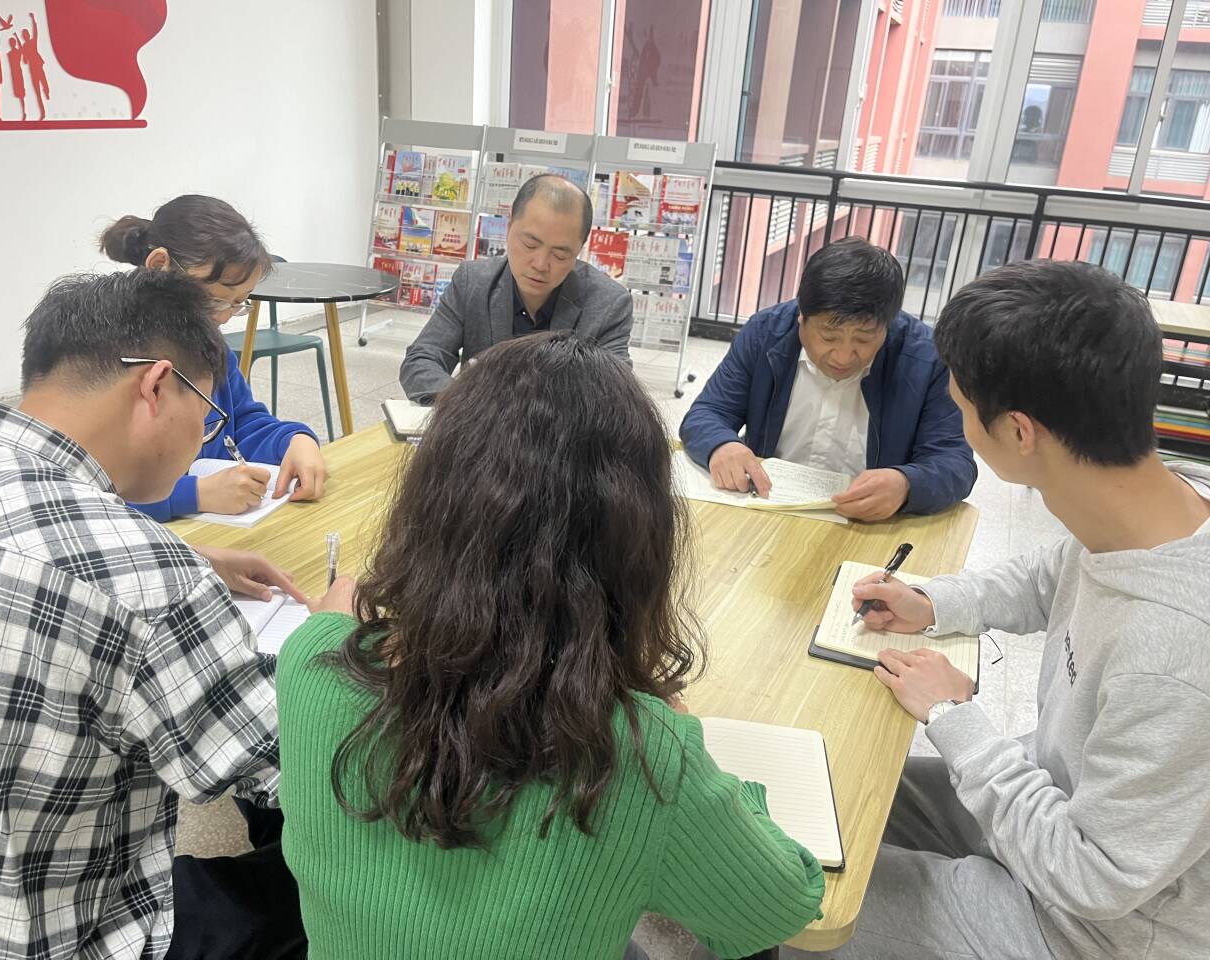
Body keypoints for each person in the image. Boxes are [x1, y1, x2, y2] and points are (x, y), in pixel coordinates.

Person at [279, 331, 826, 960]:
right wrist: (702, 757)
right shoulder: (644, 753)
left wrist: (333, 628)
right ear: (636, 546)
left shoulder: (310, 660)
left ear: (430, 503)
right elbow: (783, 904)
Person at [778, 260, 1210, 960]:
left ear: (1018, 432)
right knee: (829, 792)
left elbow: (1095, 876)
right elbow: (1051, 575)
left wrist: (956, 718)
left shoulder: (1176, 652)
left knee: (788, 896)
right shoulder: (1157, 502)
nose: (956, 417)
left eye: (961, 404)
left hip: (1084, 928)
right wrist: (932, 601)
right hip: (1048, 801)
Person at [0, 269, 341, 959]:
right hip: (59, 935)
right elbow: (297, 768)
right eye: (207, 416)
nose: (204, 437)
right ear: (155, 386)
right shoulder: (151, 579)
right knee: (311, 881)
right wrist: (329, 638)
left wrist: (196, 557)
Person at [679, 237, 976, 520]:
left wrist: (907, 484)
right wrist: (722, 446)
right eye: (828, 337)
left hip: (871, 522)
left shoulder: (927, 358)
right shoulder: (765, 333)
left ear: (888, 325)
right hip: (769, 505)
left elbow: (954, 461)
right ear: (801, 316)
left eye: (863, 339)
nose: (843, 357)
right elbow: (708, 413)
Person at [101, 194, 329, 521]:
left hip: (210, 532)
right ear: (159, 265)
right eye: (214, 300)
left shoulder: (209, 347)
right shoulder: (105, 358)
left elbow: (242, 422)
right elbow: (87, 491)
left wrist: (294, 441)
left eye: (238, 303)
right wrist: (193, 494)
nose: (222, 317)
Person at [399, 174, 634, 404]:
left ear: (580, 248)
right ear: (509, 225)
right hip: (478, 424)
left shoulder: (609, 304)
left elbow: (616, 397)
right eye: (530, 244)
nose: (540, 264)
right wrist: (468, 405)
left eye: (560, 254)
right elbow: (421, 359)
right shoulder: (473, 282)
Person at [19, 12, 49, 120]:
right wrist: (25, 55)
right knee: (37, 92)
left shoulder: (32, 42)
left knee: (43, 83)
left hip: (37, 66)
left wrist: (33, 19)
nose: (26, 35)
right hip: (32, 68)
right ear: (23, 37)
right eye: (24, 35)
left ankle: (47, 91)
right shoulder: (25, 46)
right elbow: (25, 61)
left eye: (26, 34)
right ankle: (43, 112)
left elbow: (35, 31)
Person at [7, 35, 26, 120]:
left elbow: (21, 48)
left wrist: (17, 37)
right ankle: (21, 112)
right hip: (14, 74)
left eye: (12, 42)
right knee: (17, 93)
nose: (11, 44)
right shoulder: (10, 54)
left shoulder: (14, 53)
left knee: (21, 94)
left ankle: (23, 111)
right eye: (11, 43)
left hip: (17, 73)